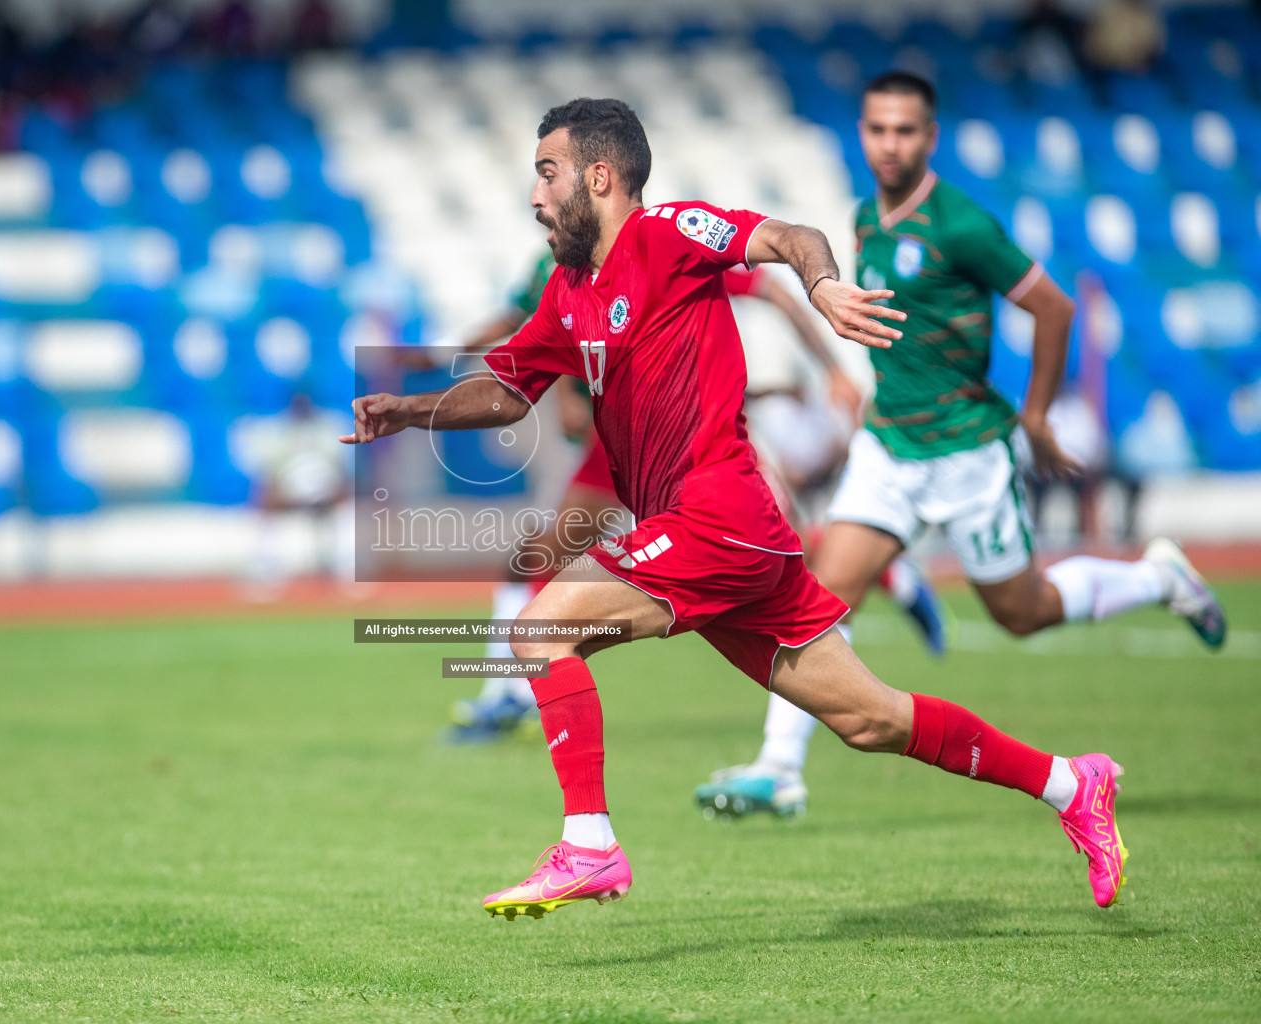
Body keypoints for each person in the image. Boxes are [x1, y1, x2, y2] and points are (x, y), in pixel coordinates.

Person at [342, 97, 1132, 916]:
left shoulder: (671, 233)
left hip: (716, 518)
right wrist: (412, 409)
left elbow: (791, 239)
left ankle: (589, 845)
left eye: (548, 173)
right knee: (870, 721)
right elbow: (506, 390)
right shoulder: (570, 292)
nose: (536, 195)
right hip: (726, 541)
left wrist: (822, 287)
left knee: (541, 627)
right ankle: (1073, 783)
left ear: (600, 176)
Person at [693, 72, 1225, 824]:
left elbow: (1053, 306)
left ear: (930, 137)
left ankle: (1158, 578)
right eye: (877, 129)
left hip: (968, 453)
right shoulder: (863, 220)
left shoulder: (961, 224)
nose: (889, 144)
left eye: (905, 130)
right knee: (813, 600)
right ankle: (780, 768)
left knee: (1022, 610)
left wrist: (1036, 417)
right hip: (888, 448)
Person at [443, 253, 941, 742]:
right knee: (536, 557)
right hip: (617, 444)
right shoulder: (554, 267)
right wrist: (452, 354)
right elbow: (527, 328)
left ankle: (890, 573)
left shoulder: (663, 256)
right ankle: (507, 695)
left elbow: (772, 291)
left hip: (692, 446)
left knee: (778, 558)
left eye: (551, 175)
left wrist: (831, 369)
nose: (543, 201)